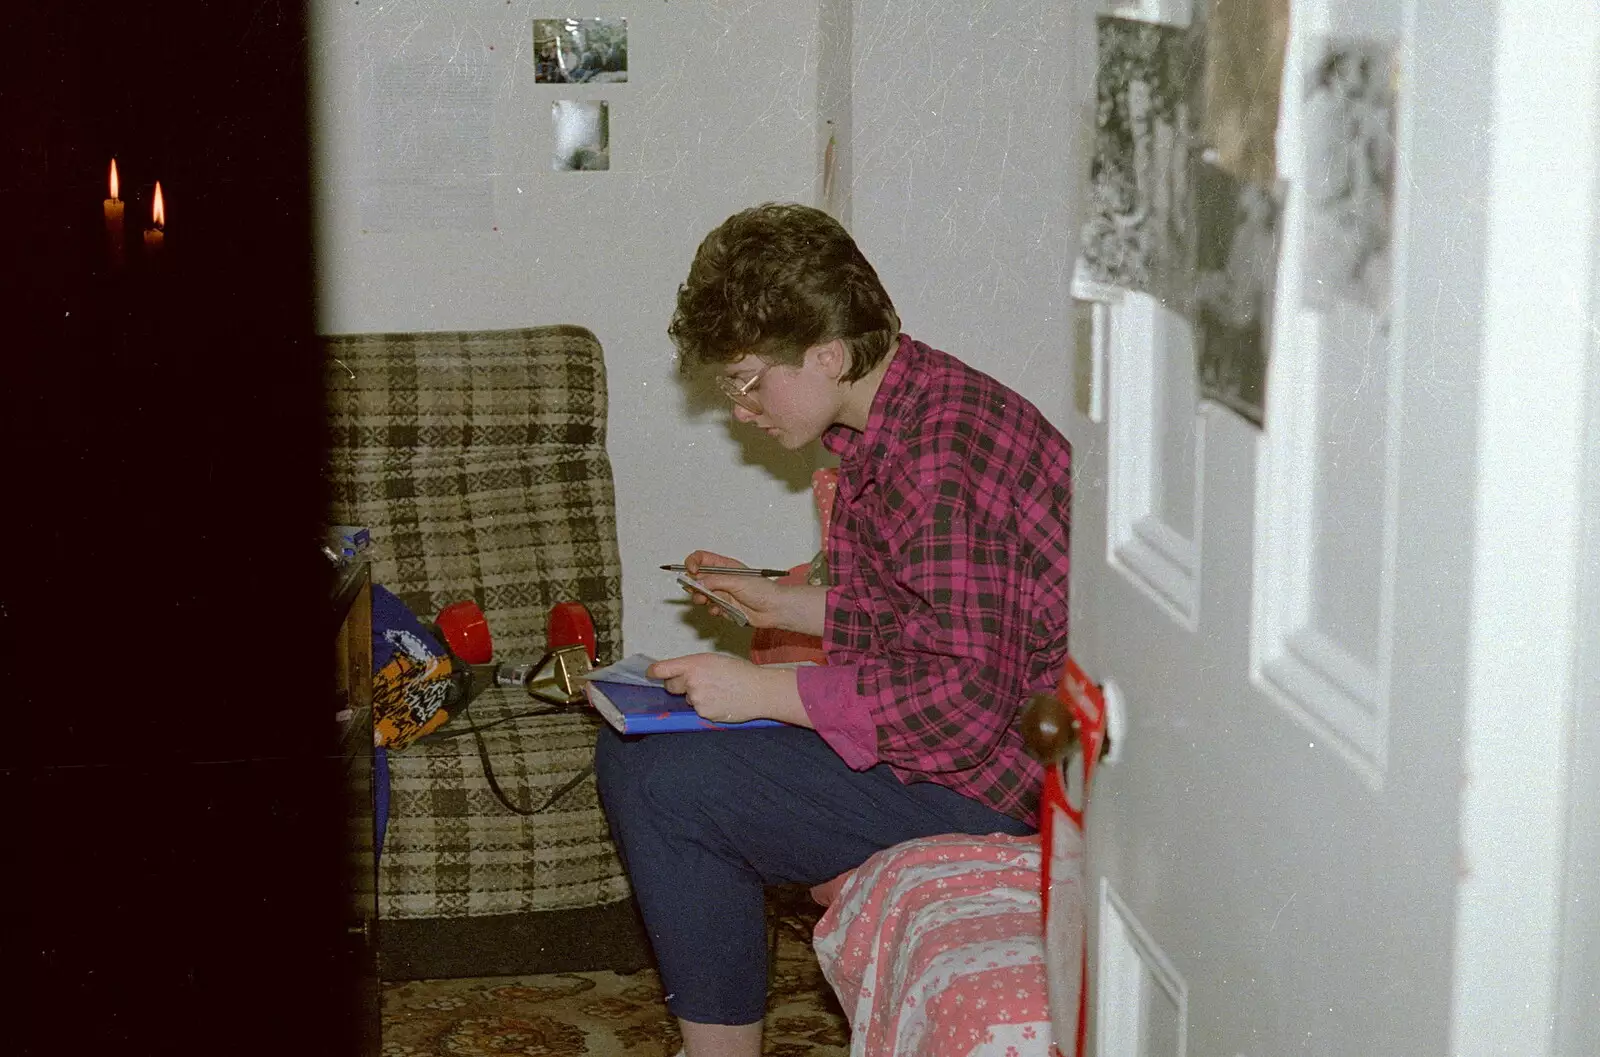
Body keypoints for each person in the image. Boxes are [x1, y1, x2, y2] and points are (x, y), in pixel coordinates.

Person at [593, 202, 1073, 1057]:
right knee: (656, 751)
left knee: (661, 779)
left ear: (827, 355)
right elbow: (928, 614)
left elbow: (964, 701)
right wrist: (783, 603)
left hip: (996, 785)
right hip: (991, 749)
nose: (739, 408)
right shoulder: (917, 410)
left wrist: (765, 690)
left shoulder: (936, 460)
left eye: (747, 379)